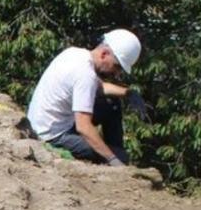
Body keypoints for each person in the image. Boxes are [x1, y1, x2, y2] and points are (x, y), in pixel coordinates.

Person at [26, 29, 148, 166]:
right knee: (120, 157)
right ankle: (116, 156)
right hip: (52, 137)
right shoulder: (85, 75)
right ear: (104, 54)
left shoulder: (75, 54)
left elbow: (100, 87)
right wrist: (113, 159)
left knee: (112, 103)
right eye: (117, 66)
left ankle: (115, 151)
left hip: (41, 124)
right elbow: (83, 127)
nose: (117, 73)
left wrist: (128, 93)